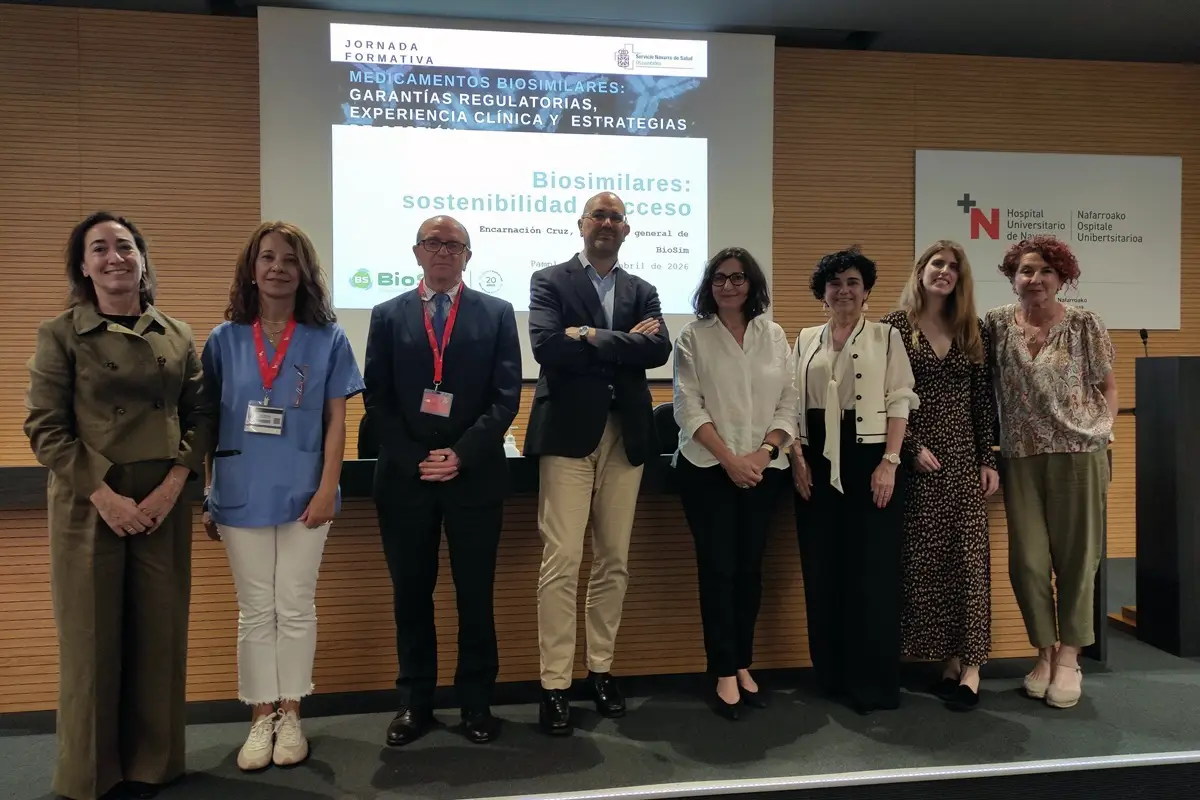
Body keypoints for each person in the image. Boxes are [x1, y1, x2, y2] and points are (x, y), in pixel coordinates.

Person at [24, 212, 214, 800]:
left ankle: (155, 765)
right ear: (84, 266)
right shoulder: (60, 334)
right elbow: (45, 428)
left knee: (160, 636)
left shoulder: (177, 333)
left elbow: (202, 416)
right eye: (100, 248)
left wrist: (172, 487)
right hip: (89, 503)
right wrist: (105, 495)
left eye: (126, 246)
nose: (115, 257)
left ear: (142, 258)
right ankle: (89, 774)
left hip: (163, 502)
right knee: (91, 641)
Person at [200, 222, 363, 771]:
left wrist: (328, 488)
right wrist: (209, 490)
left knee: (294, 605)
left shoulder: (327, 338)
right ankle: (259, 716)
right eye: (267, 258)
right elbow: (206, 421)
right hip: (239, 489)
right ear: (252, 270)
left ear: (304, 272)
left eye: (290, 260)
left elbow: (337, 421)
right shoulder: (224, 340)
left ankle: (291, 713)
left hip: (304, 493)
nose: (277, 268)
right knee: (255, 610)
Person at [364, 215, 521, 746]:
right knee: (411, 595)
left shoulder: (497, 313)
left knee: (475, 596)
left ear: (468, 256)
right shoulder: (387, 315)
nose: (443, 252)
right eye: (433, 243)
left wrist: (460, 454)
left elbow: (505, 397)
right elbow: (377, 398)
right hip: (406, 479)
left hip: (474, 476)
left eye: (454, 245)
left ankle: (476, 703)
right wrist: (418, 458)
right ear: (417, 252)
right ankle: (414, 703)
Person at [525, 191, 671, 735]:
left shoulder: (643, 289)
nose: (607, 223)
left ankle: (601, 670)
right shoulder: (549, 280)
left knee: (614, 560)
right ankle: (555, 683)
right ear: (581, 224)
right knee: (562, 560)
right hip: (567, 433)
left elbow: (658, 352)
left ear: (626, 229)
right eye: (598, 215)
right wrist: (623, 342)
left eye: (616, 217)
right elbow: (546, 346)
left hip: (625, 435)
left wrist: (587, 334)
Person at [985, 235, 1116, 710]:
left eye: (1045, 271)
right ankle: (1043, 650)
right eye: (1025, 270)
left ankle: (1069, 657)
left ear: (1062, 278)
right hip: (1020, 455)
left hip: (1078, 454)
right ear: (1012, 277)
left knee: (1078, 560)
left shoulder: (1084, 323)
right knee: (1028, 563)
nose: (1035, 278)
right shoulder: (996, 324)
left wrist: (1102, 434)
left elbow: (1108, 387)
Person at [790, 247, 917, 716]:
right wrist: (797, 458)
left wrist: (890, 462)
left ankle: (872, 684)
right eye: (835, 283)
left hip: (870, 461)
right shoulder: (805, 338)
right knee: (822, 569)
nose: (844, 290)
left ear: (866, 292)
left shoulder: (887, 337)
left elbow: (900, 400)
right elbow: (790, 403)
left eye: (853, 283)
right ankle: (832, 676)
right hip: (815, 461)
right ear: (822, 292)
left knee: (872, 574)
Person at [672, 247, 798, 720]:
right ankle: (723, 669)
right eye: (720, 278)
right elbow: (687, 406)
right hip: (708, 470)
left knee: (749, 571)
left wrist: (763, 454)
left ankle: (742, 661)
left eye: (738, 277)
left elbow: (789, 402)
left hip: (764, 472)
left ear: (752, 284)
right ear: (709, 285)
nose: (729, 285)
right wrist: (730, 460)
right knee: (719, 570)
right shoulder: (693, 336)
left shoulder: (774, 335)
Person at [882, 241, 999, 712]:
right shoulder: (894, 327)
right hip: (915, 460)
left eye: (953, 267)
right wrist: (909, 449)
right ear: (921, 270)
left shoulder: (973, 328)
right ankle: (947, 661)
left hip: (964, 462)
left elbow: (982, 401)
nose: (945, 271)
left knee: (969, 562)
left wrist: (988, 459)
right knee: (926, 566)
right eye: (937, 263)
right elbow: (884, 396)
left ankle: (971, 667)